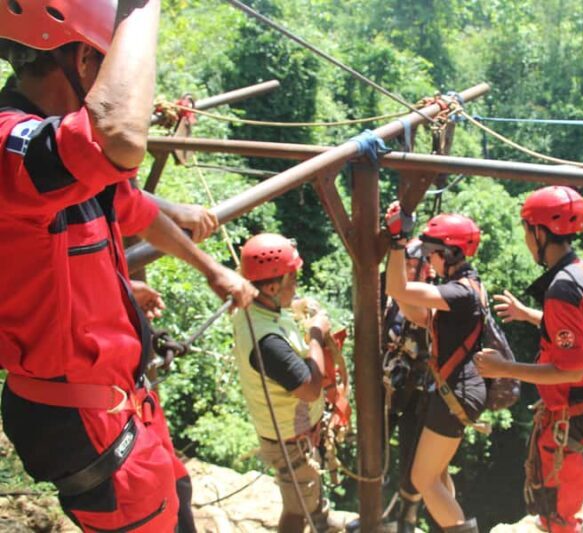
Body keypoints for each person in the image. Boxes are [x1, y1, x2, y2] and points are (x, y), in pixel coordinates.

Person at [0, 2, 256, 531]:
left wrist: (211, 268)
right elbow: (113, 141)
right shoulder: (16, 146)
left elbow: (133, 205)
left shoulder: (58, 154)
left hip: (119, 400)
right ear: (87, 63)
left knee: (176, 497)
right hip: (84, 416)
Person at [475, 186, 583, 533]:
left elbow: (571, 367)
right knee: (559, 488)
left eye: (526, 230)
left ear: (539, 232)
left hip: (570, 411)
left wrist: (502, 368)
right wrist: (531, 315)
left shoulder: (562, 289)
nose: (526, 239)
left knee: (556, 501)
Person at [384, 203, 486, 533]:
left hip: (456, 391)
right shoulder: (468, 287)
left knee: (422, 478)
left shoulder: (459, 292)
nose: (428, 259)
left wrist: (398, 243)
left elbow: (397, 289)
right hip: (458, 389)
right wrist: (403, 289)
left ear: (451, 253)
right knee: (437, 475)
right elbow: (418, 315)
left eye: (432, 252)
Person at [232, 233, 341, 533]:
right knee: (295, 510)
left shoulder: (253, 307)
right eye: (291, 279)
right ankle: (313, 521)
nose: (295, 285)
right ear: (270, 287)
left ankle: (323, 521)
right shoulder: (268, 343)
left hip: (290, 431)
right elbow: (310, 388)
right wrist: (317, 334)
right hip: (290, 440)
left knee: (306, 492)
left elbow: (278, 308)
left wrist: (296, 305)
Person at [382, 238, 433, 532]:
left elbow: (422, 317)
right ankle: (373, 512)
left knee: (413, 461)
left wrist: (396, 287)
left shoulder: (435, 296)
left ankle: (407, 520)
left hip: (420, 392)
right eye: (407, 266)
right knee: (374, 452)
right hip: (388, 385)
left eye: (415, 266)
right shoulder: (389, 296)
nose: (411, 271)